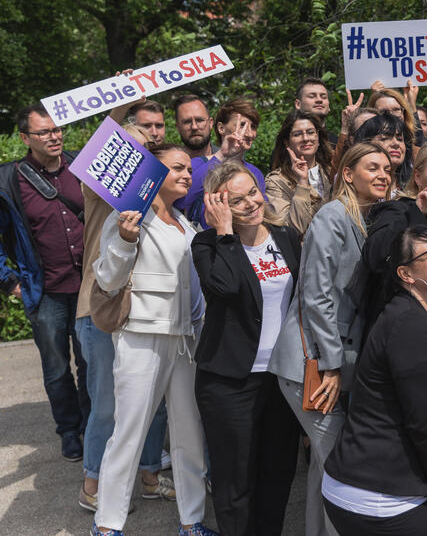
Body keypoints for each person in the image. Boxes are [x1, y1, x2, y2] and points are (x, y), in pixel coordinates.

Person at [322, 226, 427, 535]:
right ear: (406, 274)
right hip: (374, 496)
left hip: (389, 482)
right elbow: (426, 421)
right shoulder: (408, 326)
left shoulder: (420, 319)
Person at [268, 143, 392, 536]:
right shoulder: (332, 216)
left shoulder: (365, 218)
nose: (383, 174)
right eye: (373, 167)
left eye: (387, 168)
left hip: (332, 363)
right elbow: (315, 295)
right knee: (343, 466)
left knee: (326, 467)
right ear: (348, 174)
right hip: (310, 364)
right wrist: (332, 364)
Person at [91, 144, 214, 536]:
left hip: (185, 339)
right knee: (129, 431)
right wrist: (125, 241)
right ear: (153, 173)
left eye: (189, 169)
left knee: (189, 433)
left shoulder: (185, 223)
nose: (187, 174)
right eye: (177, 168)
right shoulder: (128, 216)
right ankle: (107, 525)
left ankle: (191, 521)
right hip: (141, 336)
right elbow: (108, 279)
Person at [192, 162, 302, 536]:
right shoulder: (206, 244)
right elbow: (225, 287)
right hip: (229, 381)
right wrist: (225, 232)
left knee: (277, 473)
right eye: (236, 200)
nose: (251, 203)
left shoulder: (286, 237)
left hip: (280, 377)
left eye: (252, 192)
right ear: (218, 205)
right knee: (234, 480)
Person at [76, 124, 171, 513]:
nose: (138, 152)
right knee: (107, 404)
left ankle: (150, 477)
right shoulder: (98, 191)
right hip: (101, 310)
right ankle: (92, 486)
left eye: (146, 147)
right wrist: (118, 107)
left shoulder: (153, 195)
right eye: (128, 145)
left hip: (143, 312)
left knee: (154, 402)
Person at [0, 105, 89, 461]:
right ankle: (68, 431)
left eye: (57, 129)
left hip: (88, 287)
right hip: (45, 292)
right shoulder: (10, 180)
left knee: (92, 364)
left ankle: (91, 426)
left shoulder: (81, 164)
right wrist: (9, 282)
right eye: (44, 132)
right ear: (25, 138)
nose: (54, 136)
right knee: (56, 369)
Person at [360, 137, 427, 330]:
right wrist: (418, 211)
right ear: (418, 177)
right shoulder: (398, 211)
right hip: (398, 331)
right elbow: (374, 257)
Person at [175, 97, 265, 228]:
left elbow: (265, 214)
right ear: (221, 128)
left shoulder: (254, 172)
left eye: (253, 127)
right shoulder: (197, 165)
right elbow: (181, 201)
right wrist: (222, 155)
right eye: (242, 125)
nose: (250, 134)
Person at [265, 109, 334, 236]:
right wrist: (302, 183)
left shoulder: (330, 172)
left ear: (318, 137)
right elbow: (293, 230)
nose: (306, 138)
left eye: (310, 132)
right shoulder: (276, 181)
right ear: (287, 141)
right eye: (297, 134)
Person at [352, 112, 412, 197]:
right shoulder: (353, 197)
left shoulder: (416, 187)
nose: (396, 144)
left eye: (399, 139)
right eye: (384, 139)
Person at [173, 94, 216, 159]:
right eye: (187, 122)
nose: (194, 127)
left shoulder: (229, 159)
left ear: (210, 123)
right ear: (178, 127)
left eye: (199, 120)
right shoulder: (168, 163)